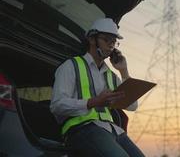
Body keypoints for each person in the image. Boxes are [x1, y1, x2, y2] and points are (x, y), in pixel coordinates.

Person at [50, 18, 145, 157]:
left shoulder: (112, 76)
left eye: (114, 42)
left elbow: (132, 105)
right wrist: (93, 102)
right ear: (92, 39)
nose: (111, 45)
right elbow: (57, 105)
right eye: (107, 40)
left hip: (113, 131)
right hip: (82, 129)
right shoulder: (71, 66)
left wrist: (124, 71)